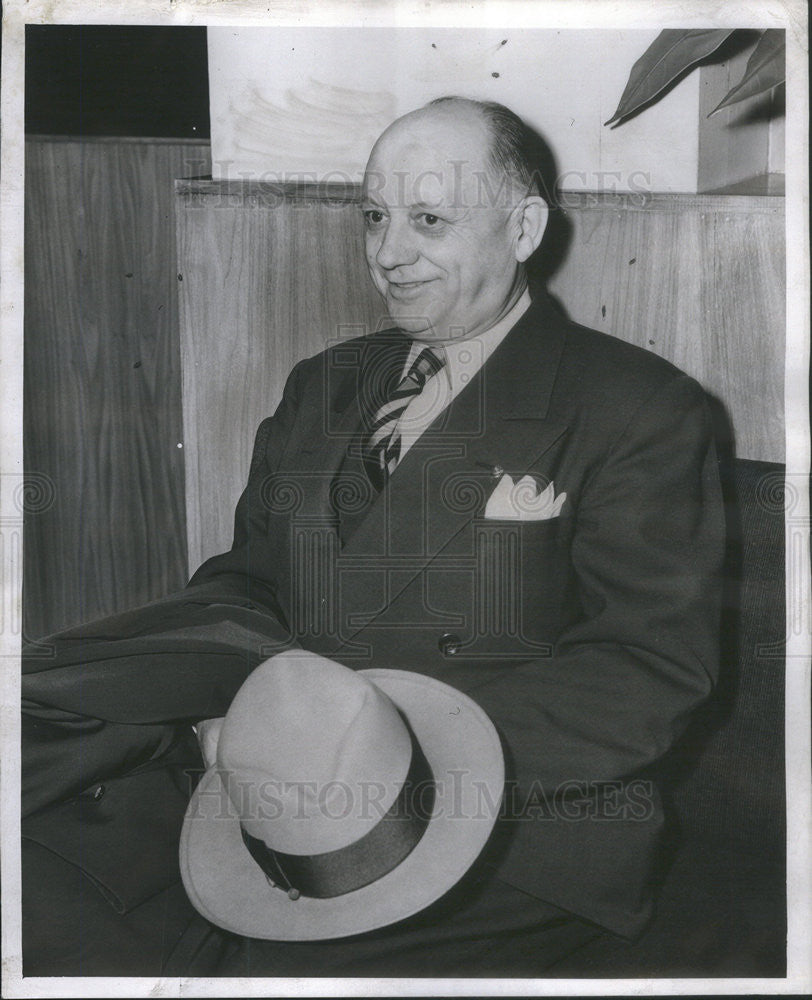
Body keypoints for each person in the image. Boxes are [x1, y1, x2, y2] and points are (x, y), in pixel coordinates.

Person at [21, 96, 725, 977]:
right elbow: (246, 584)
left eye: (429, 219)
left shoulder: (637, 408)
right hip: (280, 793)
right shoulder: (325, 383)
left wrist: (393, 754)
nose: (389, 254)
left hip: (510, 828)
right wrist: (218, 711)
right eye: (376, 217)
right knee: (48, 895)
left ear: (523, 226)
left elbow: (649, 668)